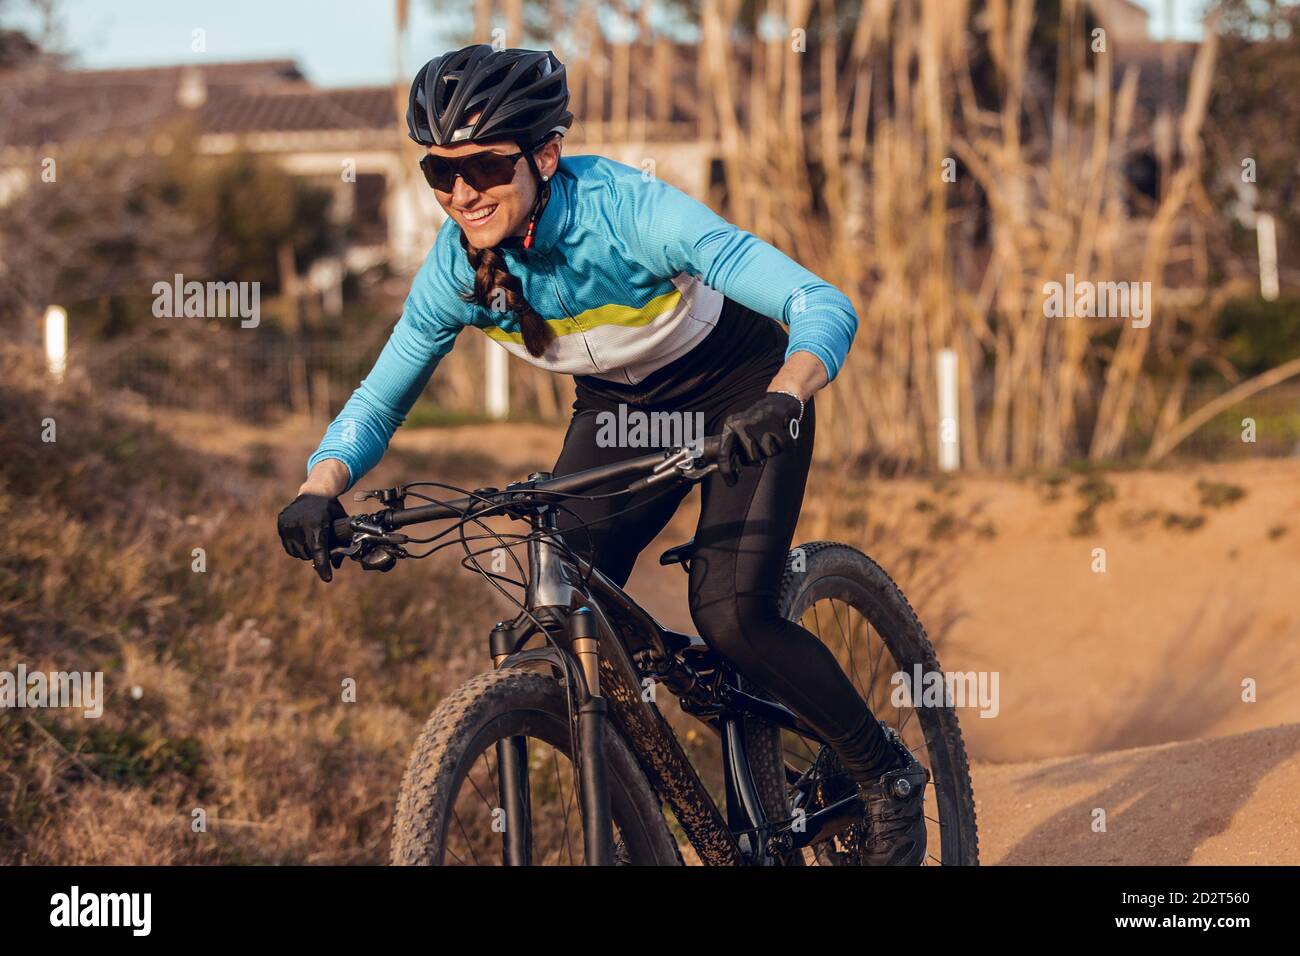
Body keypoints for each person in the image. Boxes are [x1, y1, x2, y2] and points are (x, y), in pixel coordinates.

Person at [277, 44, 927, 864]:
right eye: (438, 175)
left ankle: (885, 773)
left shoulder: (631, 211)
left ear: (546, 153)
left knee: (730, 613)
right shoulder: (456, 268)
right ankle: (634, 816)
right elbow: (381, 396)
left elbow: (817, 300)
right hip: (621, 412)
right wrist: (318, 486)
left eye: (482, 165)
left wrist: (789, 393)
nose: (461, 193)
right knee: (555, 594)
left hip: (745, 389)